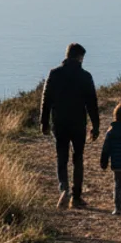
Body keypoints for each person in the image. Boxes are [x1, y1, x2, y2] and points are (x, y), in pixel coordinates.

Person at [39, 43, 101, 209]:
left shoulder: (54, 73)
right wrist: (96, 125)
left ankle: (64, 189)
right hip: (78, 122)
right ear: (79, 57)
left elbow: (46, 100)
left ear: (67, 55)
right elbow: (92, 103)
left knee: (62, 156)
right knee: (78, 158)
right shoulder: (85, 76)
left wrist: (44, 122)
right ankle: (77, 196)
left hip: (59, 122)